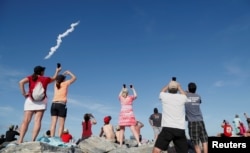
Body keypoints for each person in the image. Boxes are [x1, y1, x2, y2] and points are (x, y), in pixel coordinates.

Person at [18, 65, 61, 143]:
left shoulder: (30, 77)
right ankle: (33, 140)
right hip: (41, 101)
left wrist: (24, 93)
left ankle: (20, 140)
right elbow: (54, 78)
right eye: (43, 71)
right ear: (41, 72)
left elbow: (21, 82)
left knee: (26, 121)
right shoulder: (46, 79)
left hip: (30, 100)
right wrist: (57, 71)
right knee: (37, 121)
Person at [152, 79, 190, 153]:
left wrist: (169, 83)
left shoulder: (164, 96)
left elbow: (162, 91)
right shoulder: (182, 98)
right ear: (177, 89)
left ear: (169, 89)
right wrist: (179, 87)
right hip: (180, 128)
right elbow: (185, 94)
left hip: (167, 128)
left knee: (157, 149)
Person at [50, 70, 77, 137]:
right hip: (61, 104)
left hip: (53, 104)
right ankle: (59, 138)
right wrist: (69, 72)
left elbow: (55, 78)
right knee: (61, 124)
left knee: (53, 123)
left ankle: (51, 138)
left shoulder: (56, 84)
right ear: (64, 80)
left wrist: (57, 72)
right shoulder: (65, 83)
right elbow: (74, 78)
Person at [185, 82, 208, 153]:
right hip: (200, 120)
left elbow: (182, 91)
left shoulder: (185, 96)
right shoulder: (198, 96)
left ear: (188, 88)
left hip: (192, 122)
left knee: (195, 143)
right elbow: (199, 101)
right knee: (204, 141)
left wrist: (186, 91)